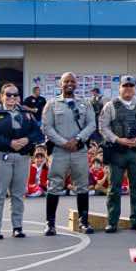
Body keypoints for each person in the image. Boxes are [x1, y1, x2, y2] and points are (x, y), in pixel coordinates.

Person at [0, 83, 42, 238]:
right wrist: (9, 142)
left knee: (18, 194)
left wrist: (27, 139)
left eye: (15, 94)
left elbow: (37, 132)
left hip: (22, 157)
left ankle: (17, 227)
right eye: (8, 94)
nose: (12, 97)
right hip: (1, 157)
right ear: (1, 96)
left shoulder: (26, 113)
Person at [39, 72, 96, 237]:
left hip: (79, 150)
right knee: (54, 185)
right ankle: (50, 224)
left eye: (72, 81)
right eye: (66, 81)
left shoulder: (85, 103)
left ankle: (83, 222)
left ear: (76, 84)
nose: (69, 84)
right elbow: (47, 127)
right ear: (60, 84)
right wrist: (64, 142)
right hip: (59, 151)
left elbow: (92, 124)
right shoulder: (52, 104)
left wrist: (78, 139)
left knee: (82, 185)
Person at [98, 76, 136, 231]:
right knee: (114, 188)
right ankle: (112, 222)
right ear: (120, 88)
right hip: (117, 152)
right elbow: (103, 126)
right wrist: (117, 139)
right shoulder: (110, 106)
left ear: (134, 88)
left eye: (131, 85)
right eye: (125, 85)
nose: (128, 88)